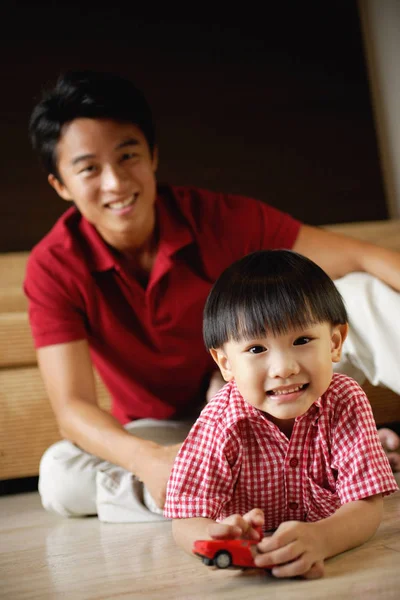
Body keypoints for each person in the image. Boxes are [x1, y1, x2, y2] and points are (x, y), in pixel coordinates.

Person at [25, 70, 400, 523]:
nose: (115, 182)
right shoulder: (52, 266)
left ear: (153, 155)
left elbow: (364, 257)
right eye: (89, 169)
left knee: (358, 292)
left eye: (128, 156)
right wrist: (150, 461)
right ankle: (309, 472)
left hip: (275, 397)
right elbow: (73, 409)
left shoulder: (217, 218)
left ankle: (311, 465)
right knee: (60, 476)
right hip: (169, 432)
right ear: (60, 185)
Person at [164, 250, 398, 579]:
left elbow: (368, 507)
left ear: (334, 343)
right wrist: (218, 538)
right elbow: (186, 520)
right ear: (226, 363)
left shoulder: (345, 399)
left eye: (302, 340)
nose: (284, 368)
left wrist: (323, 538)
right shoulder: (220, 418)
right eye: (256, 349)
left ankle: (378, 447)